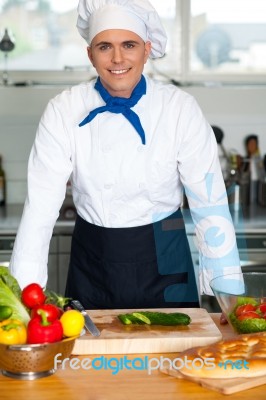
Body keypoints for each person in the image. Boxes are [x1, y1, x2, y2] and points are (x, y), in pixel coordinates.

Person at [10, 0, 241, 319]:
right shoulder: (64, 110)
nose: (117, 58)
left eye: (128, 45)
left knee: (174, 361)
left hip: (165, 259)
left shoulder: (178, 109)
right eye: (105, 46)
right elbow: (39, 209)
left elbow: (210, 203)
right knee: (91, 365)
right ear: (90, 54)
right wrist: (23, 304)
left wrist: (230, 297)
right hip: (93, 261)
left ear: (147, 49)